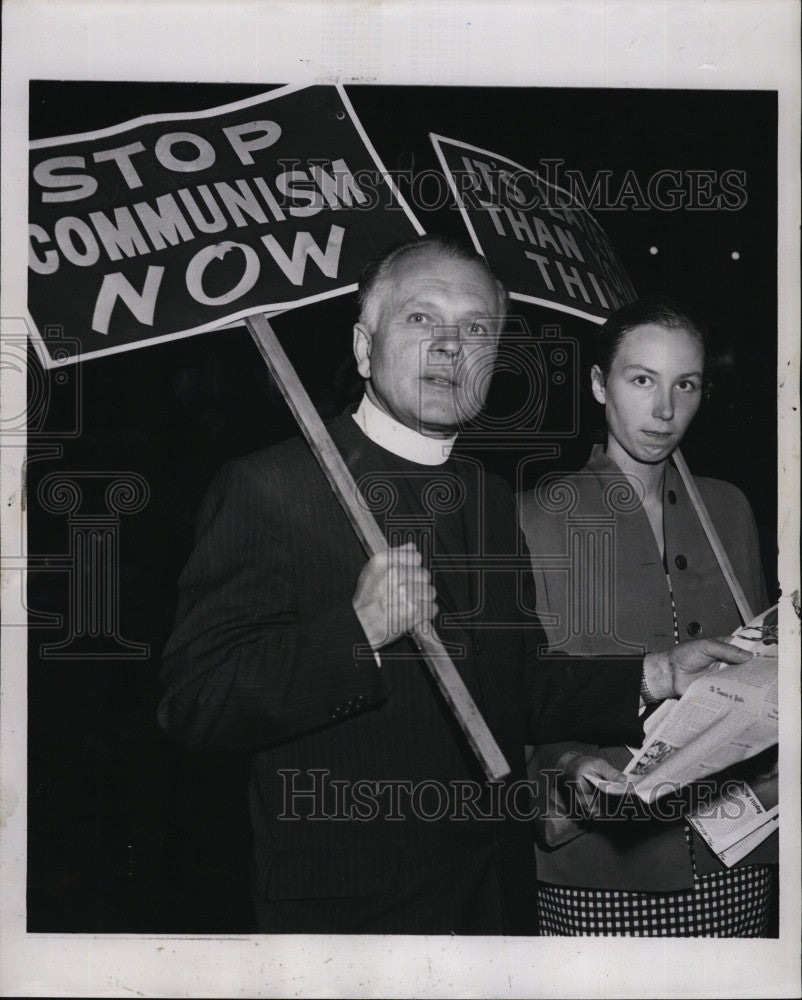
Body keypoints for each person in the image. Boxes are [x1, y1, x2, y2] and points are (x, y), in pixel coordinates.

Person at [159, 240, 749, 935]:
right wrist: (357, 634)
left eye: (475, 328)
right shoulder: (270, 486)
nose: (449, 347)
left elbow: (521, 683)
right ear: (362, 345)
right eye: (419, 319)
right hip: (355, 918)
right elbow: (196, 703)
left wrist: (656, 673)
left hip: (494, 901)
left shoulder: (488, 494)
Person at [518, 296, 776, 937]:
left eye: (684, 384)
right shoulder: (535, 514)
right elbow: (521, 692)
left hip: (737, 853)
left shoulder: (729, 508)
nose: (665, 410)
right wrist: (568, 766)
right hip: (603, 866)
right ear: (600, 385)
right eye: (642, 380)